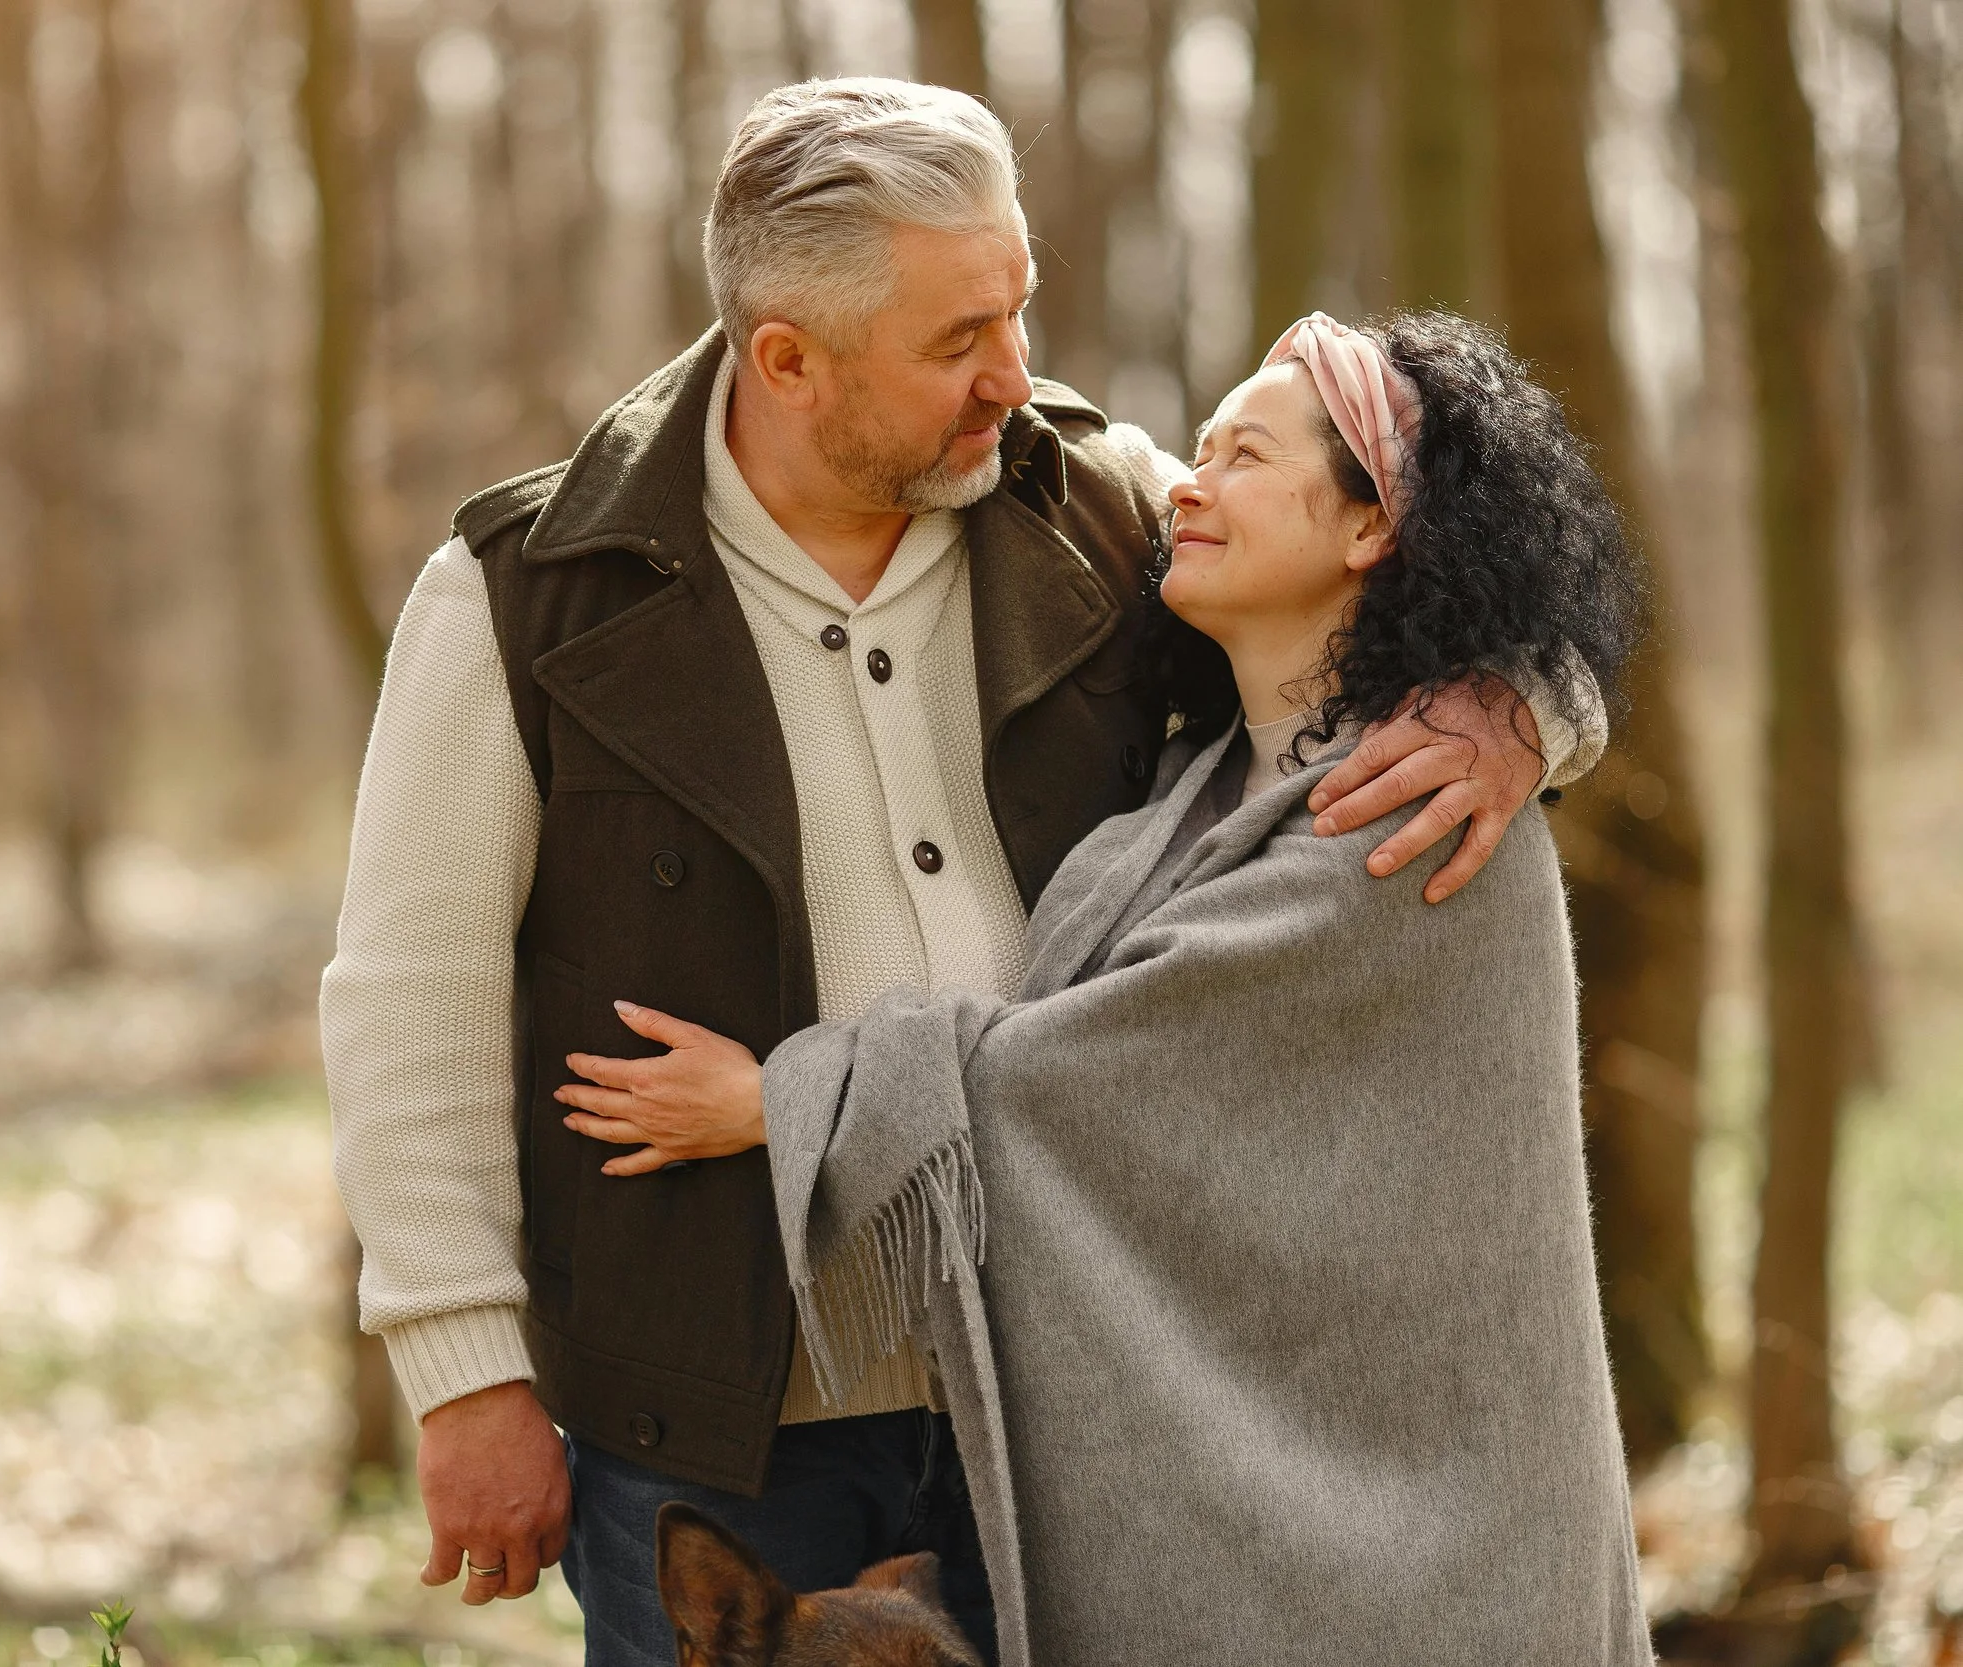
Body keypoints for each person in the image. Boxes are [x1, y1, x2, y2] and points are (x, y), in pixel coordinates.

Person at [319, 79, 1605, 1667]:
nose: (1013, 372)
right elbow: (410, 998)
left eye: (1017, 308)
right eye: (955, 341)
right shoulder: (526, 597)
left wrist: (1523, 704)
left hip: (1068, 1393)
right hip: (718, 1421)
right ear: (788, 358)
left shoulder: (1097, 503)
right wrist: (467, 1373)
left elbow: (1410, 569)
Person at [556, 310, 1655, 1666]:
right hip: (1280, 1555)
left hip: (1439, 1563)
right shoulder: (1184, 802)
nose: (1186, 483)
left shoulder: (1421, 817)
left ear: (1374, 529)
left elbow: (1083, 1077)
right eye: (1196, 447)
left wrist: (783, 1099)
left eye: (1245, 454)